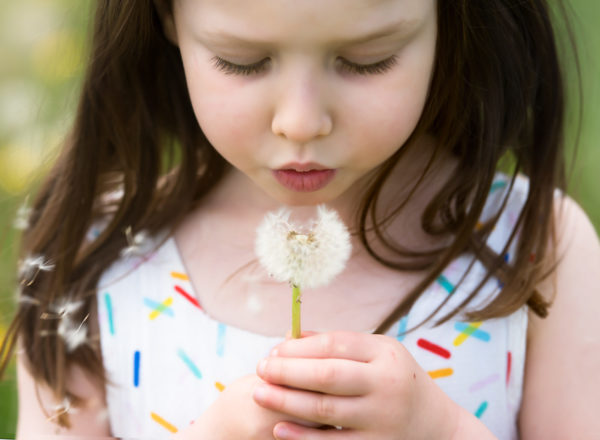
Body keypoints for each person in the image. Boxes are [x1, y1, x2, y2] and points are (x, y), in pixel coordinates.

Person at [1, 0, 599, 438]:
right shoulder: (95, 258)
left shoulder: (536, 245)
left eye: (368, 60)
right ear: (166, 17)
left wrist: (440, 432)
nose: (302, 121)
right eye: (244, 61)